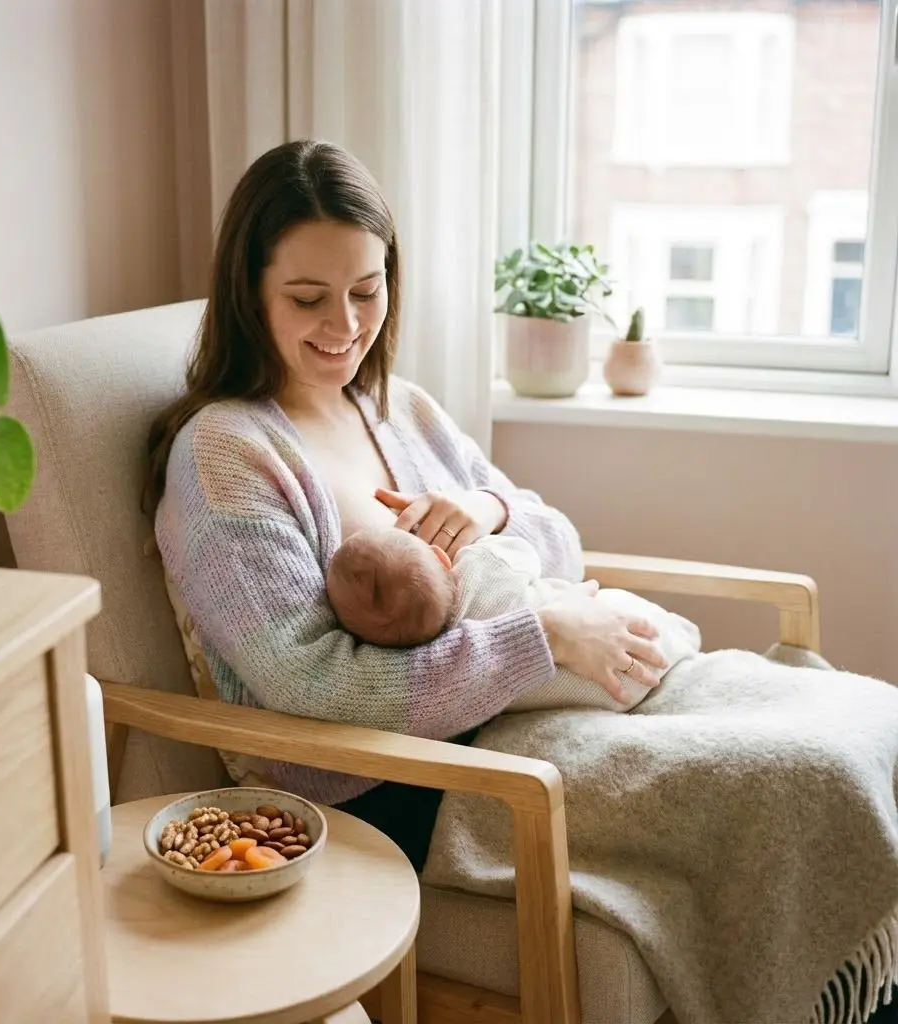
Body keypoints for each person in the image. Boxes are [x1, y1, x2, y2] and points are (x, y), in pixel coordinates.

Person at [144, 138, 667, 872]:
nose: (347, 326)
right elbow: (309, 684)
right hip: (391, 778)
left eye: (367, 290)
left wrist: (488, 509)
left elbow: (562, 543)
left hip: (506, 721)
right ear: (248, 292)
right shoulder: (227, 454)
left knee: (826, 747)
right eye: (307, 299)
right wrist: (541, 634)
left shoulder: (400, 409)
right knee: (766, 783)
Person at [326, 525, 702, 712]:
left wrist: (493, 503)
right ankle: (683, 634)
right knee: (616, 605)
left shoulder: (448, 655)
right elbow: (526, 550)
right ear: (441, 557)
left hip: (604, 699)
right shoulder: (482, 564)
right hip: (634, 648)